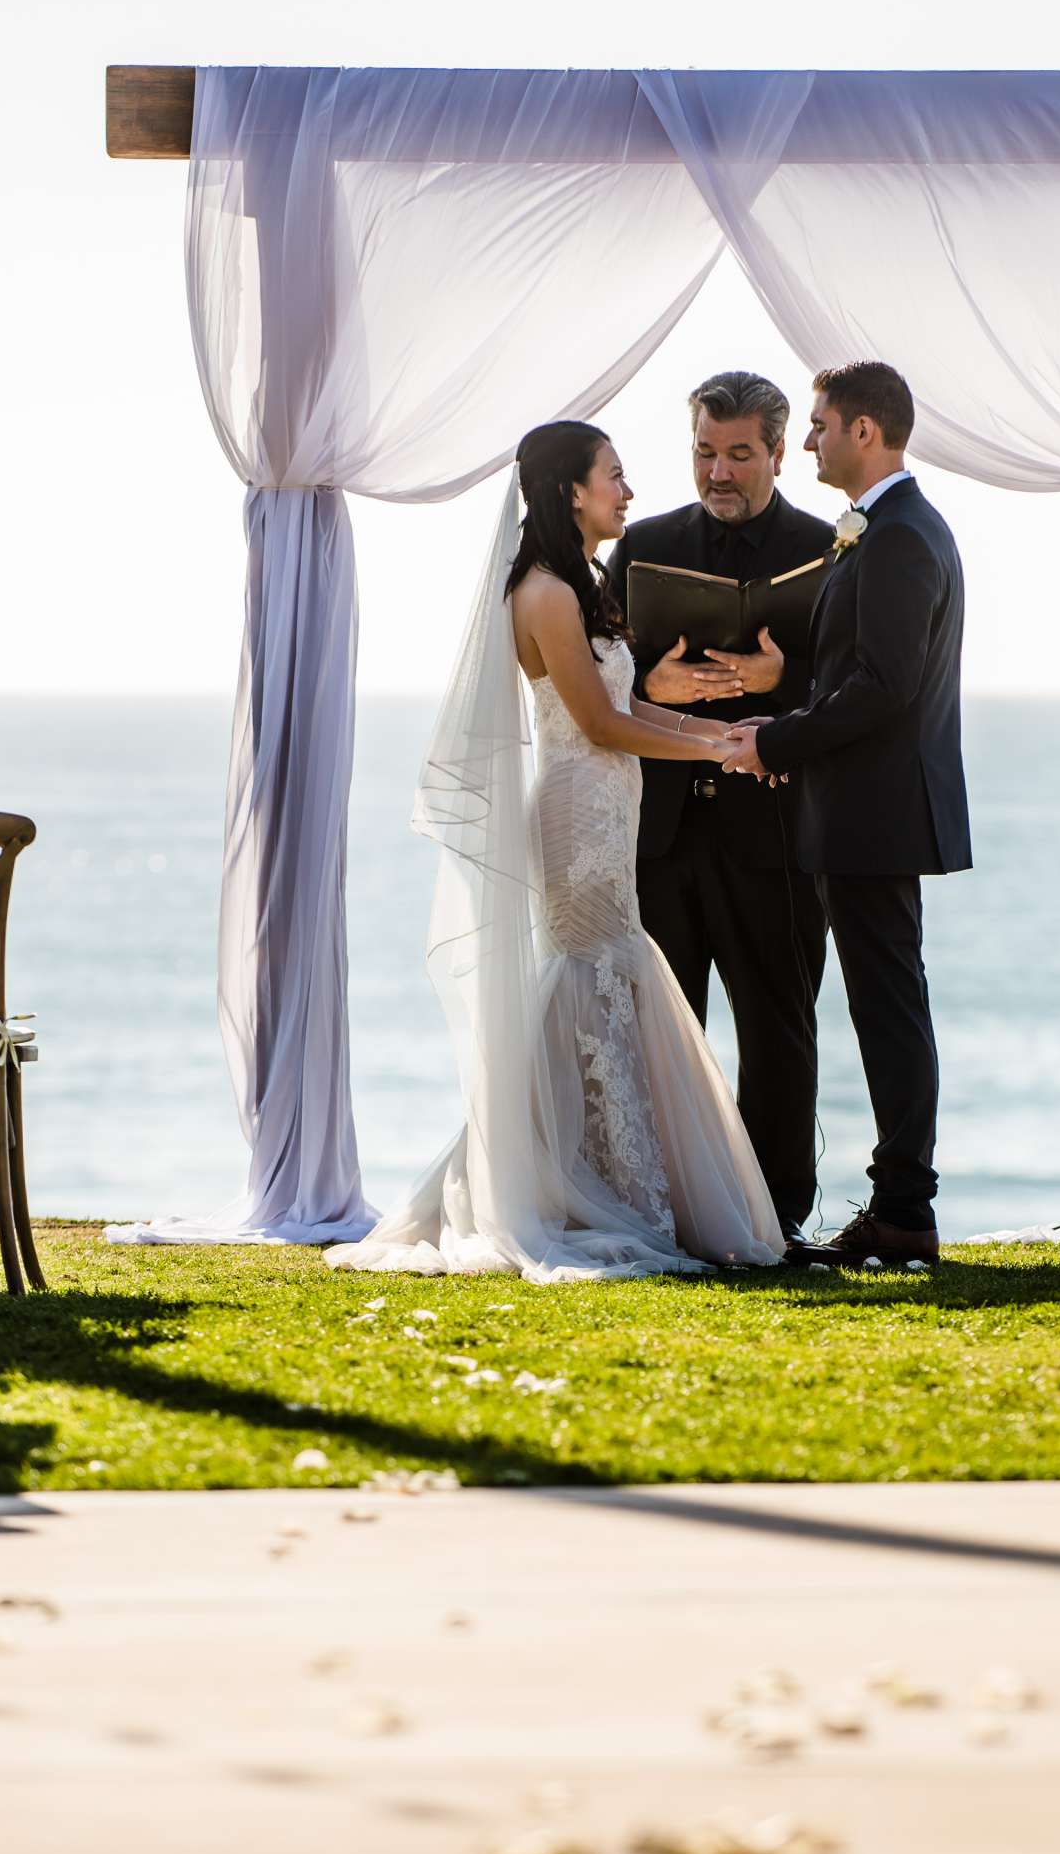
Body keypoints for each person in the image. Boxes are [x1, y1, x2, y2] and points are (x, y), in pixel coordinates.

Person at [327, 422, 785, 1282]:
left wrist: (723, 734)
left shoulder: (585, 583)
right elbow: (602, 724)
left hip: (610, 813)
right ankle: (582, 1185)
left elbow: (637, 710)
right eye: (614, 475)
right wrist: (720, 749)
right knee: (592, 984)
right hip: (576, 821)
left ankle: (599, 1177)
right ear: (572, 490)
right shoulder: (541, 592)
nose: (628, 490)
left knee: (606, 987)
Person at [722, 361, 967, 1270]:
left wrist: (776, 744)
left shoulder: (899, 535)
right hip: (863, 810)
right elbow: (850, 678)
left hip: (874, 816)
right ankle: (901, 1201)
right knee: (884, 1007)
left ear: (866, 431)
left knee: (890, 1009)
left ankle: (904, 1208)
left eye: (821, 424)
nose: (812, 440)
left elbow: (882, 687)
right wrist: (782, 718)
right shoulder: (882, 530)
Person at [605, 373, 833, 1246]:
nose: (720, 471)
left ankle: (775, 1220)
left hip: (774, 833)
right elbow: (592, 677)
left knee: (780, 1029)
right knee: (662, 1032)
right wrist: (647, 679)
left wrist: (788, 682)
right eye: (706, 452)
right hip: (659, 833)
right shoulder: (646, 544)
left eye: (740, 455)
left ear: (778, 452)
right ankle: (664, 1211)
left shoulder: (829, 548)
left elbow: (856, 686)